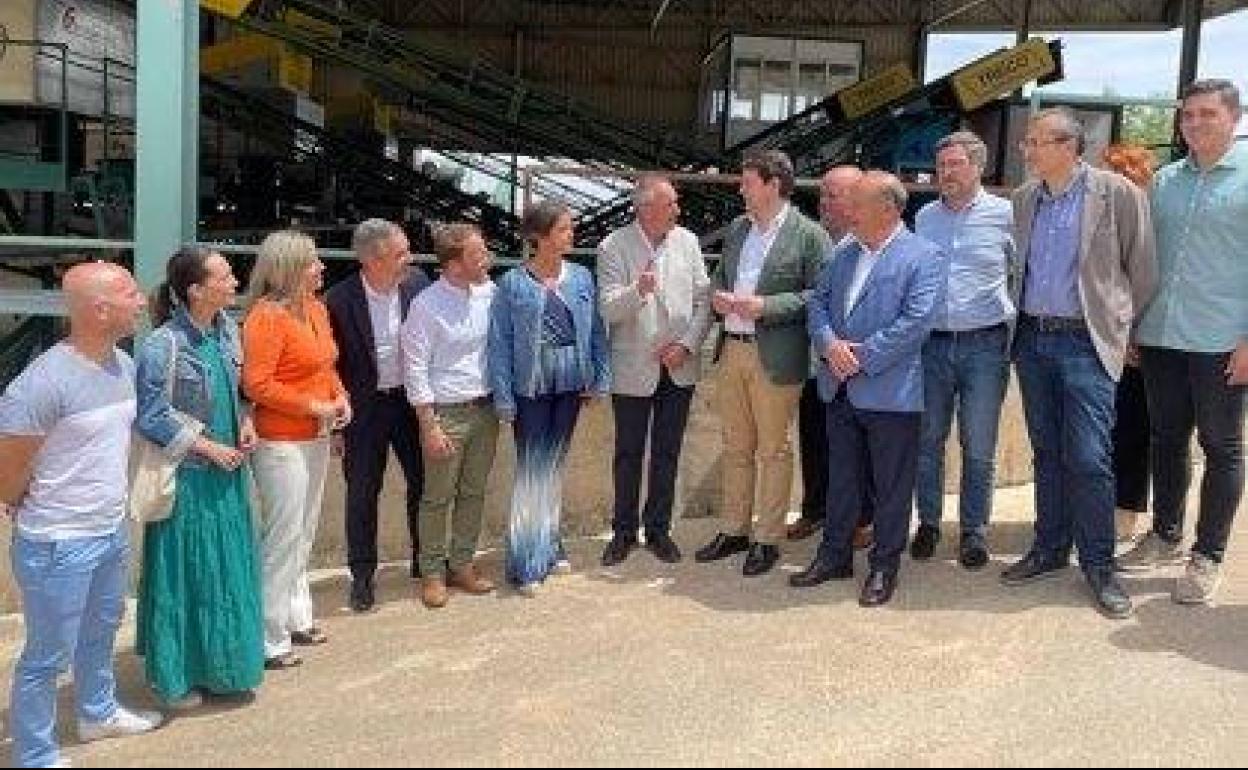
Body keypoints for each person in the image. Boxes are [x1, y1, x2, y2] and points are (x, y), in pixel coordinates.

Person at [2, 262, 162, 768]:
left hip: (108, 529)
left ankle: (97, 714)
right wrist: (27, 500)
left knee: (101, 632)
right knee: (45, 657)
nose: (141, 302)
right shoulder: (42, 383)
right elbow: (7, 473)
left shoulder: (122, 363)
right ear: (99, 309)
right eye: (130, 294)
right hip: (57, 542)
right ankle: (35, 755)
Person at [1001, 107, 1158, 619]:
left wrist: (1118, 329)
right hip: (1033, 341)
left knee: (1089, 458)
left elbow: (1143, 271)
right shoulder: (1024, 201)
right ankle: (1049, 548)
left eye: (1035, 142)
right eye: (1028, 142)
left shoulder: (1117, 195)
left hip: (1085, 345)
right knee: (1047, 452)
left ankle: (1099, 565)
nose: (1026, 151)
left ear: (1068, 146)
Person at [791, 171, 945, 607]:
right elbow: (817, 303)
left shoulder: (924, 256)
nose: (847, 211)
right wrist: (828, 345)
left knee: (891, 486)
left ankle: (883, 566)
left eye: (857, 203)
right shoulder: (844, 253)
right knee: (842, 479)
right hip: (838, 388)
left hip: (893, 393)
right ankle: (834, 556)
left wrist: (859, 356)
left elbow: (916, 323)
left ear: (889, 208)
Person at [1123, 79, 1248, 605]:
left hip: (1223, 339)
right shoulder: (1165, 182)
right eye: (1187, 115)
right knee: (1166, 438)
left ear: (1234, 118)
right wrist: (1132, 325)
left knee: (1221, 447)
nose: (1194, 123)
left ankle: (1208, 555)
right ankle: (1166, 533)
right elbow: (1144, 260)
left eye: (1207, 114)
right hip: (1161, 335)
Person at [134, 247, 264, 709]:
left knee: (226, 569)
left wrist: (246, 423)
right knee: (187, 572)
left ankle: (225, 670)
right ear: (196, 289)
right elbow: (150, 415)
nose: (234, 280)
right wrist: (208, 446)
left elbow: (239, 395)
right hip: (191, 476)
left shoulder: (229, 331)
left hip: (229, 471)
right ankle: (180, 675)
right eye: (225, 275)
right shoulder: (163, 344)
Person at [694, 149, 829, 577]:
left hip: (776, 356)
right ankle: (734, 530)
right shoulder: (738, 229)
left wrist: (765, 305)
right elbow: (720, 276)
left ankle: (767, 538)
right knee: (736, 447)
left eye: (748, 182)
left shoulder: (809, 234)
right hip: (732, 349)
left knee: (773, 450)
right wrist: (718, 295)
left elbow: (819, 296)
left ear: (773, 185)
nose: (741, 189)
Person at [487, 200, 610, 594]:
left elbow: (595, 333)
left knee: (553, 467)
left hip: (571, 385)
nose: (571, 235)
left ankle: (550, 543)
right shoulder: (512, 283)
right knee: (531, 471)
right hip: (531, 390)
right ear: (539, 238)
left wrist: (598, 375)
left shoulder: (581, 278)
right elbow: (499, 344)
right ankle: (525, 562)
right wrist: (504, 397)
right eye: (563, 229)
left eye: (570, 228)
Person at [242, 230, 351, 668]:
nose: (321, 267)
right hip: (281, 440)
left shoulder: (317, 311)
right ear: (289, 268)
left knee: (303, 531)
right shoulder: (266, 317)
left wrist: (341, 398)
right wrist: (314, 404)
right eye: (312, 262)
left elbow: (326, 366)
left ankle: (295, 616)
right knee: (283, 536)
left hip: (317, 435)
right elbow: (257, 383)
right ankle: (269, 635)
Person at [910, 131, 1016, 569]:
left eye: (955, 164)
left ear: (978, 167)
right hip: (932, 346)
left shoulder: (1007, 215)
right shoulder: (924, 218)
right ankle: (930, 524)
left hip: (985, 346)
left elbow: (1021, 271)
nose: (945, 173)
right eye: (941, 166)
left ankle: (974, 531)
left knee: (978, 445)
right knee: (927, 440)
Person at [597, 174, 712, 566]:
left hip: (678, 366)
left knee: (668, 451)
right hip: (633, 366)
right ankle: (623, 532)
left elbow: (703, 301)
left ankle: (659, 530)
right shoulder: (613, 246)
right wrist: (638, 291)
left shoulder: (688, 241)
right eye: (671, 204)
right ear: (646, 208)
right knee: (628, 453)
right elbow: (608, 309)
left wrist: (686, 345)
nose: (678, 210)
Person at [325, 219, 430, 613]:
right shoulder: (338, 300)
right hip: (363, 409)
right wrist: (335, 423)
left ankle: (425, 561)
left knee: (423, 482)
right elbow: (328, 364)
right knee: (363, 491)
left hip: (409, 402)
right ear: (372, 259)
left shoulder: (418, 284)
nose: (410, 259)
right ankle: (363, 575)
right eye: (400, 253)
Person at [403, 224, 500, 608]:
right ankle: (431, 572)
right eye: (477, 254)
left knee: (474, 492)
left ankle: (462, 564)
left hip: (485, 409)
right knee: (437, 497)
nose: (487, 258)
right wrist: (429, 423)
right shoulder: (426, 305)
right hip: (446, 413)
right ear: (454, 265)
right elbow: (415, 367)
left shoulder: (490, 294)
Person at [789, 165, 876, 550]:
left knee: (859, 447)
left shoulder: (868, 245)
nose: (824, 203)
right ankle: (815, 509)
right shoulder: (813, 239)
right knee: (813, 437)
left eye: (834, 196)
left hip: (857, 363)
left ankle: (862, 518)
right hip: (816, 359)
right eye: (822, 195)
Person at [1099, 143, 1158, 543]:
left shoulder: (1153, 224)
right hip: (1095, 341)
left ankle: (1126, 511)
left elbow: (1149, 283)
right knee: (1095, 432)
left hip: (1136, 344)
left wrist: (1136, 333)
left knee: (1134, 429)